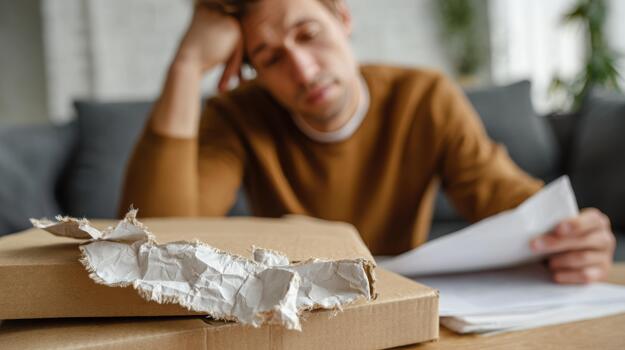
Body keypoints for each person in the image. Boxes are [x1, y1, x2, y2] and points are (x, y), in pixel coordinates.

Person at [120, 0, 615, 284]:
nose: (304, 70)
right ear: (254, 73)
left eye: (309, 33)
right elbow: (156, 238)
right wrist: (186, 65)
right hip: (297, 311)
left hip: (401, 298)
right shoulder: (239, 115)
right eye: (271, 58)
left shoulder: (424, 97)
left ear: (342, 15)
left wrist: (572, 235)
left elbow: (502, 195)